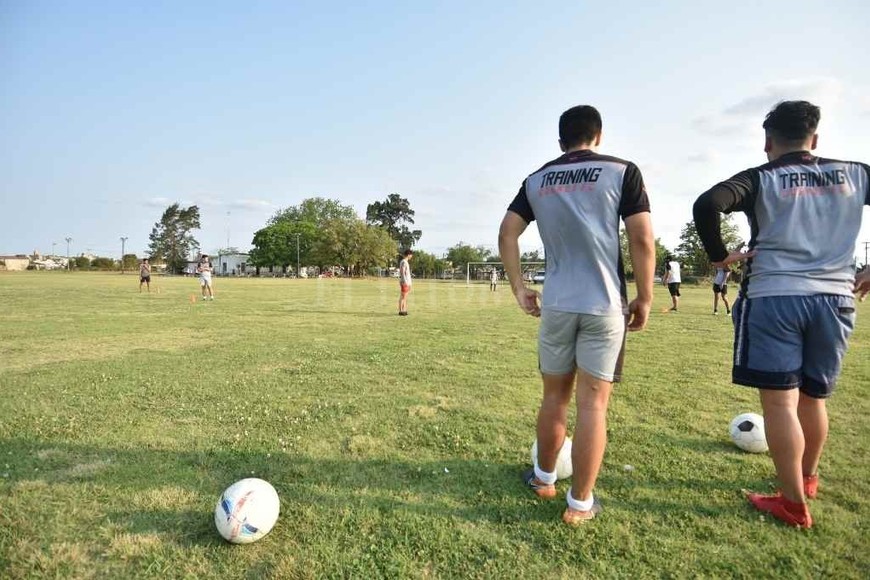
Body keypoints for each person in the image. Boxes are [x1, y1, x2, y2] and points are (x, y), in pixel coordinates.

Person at [693, 100, 870, 529]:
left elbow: (707, 204)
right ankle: (806, 480)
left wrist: (720, 257)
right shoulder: (857, 173)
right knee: (814, 398)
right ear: (816, 138)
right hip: (836, 298)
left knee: (779, 402)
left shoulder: (761, 178)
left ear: (768, 141)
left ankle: (791, 503)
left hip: (774, 296)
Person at [498, 104, 655, 526]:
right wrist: (645, 296)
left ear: (560, 140)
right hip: (605, 306)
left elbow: (507, 233)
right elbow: (641, 238)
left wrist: (518, 288)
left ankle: (544, 479)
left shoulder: (537, 179)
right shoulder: (622, 171)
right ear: (598, 135)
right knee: (593, 407)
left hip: (557, 303)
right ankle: (579, 504)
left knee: (554, 397)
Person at [398, 249, 413, 316]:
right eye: (411, 255)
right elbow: (402, 272)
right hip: (405, 282)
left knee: (405, 297)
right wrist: (404, 281)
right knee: (403, 297)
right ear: (408, 255)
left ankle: (404, 310)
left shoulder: (406, 262)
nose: (411, 256)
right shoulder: (404, 262)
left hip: (408, 282)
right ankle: (401, 310)